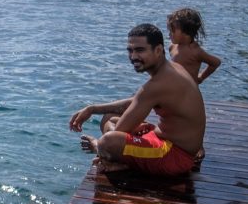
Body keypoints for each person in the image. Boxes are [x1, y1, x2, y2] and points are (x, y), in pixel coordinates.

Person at [69, 24, 205, 176]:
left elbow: (119, 131)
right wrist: (92, 109)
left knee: (108, 142)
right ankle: (118, 161)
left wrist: (99, 146)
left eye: (140, 50)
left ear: (158, 50)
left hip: (175, 156)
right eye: (130, 50)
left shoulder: (157, 85)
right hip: (163, 139)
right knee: (109, 117)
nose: (133, 56)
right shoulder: (171, 69)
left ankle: (105, 156)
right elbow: (136, 102)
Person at [167, 8, 221, 84]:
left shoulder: (195, 52)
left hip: (189, 90)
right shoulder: (172, 47)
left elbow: (216, 62)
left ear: (186, 32)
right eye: (169, 30)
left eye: (172, 31)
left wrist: (201, 77)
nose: (169, 34)